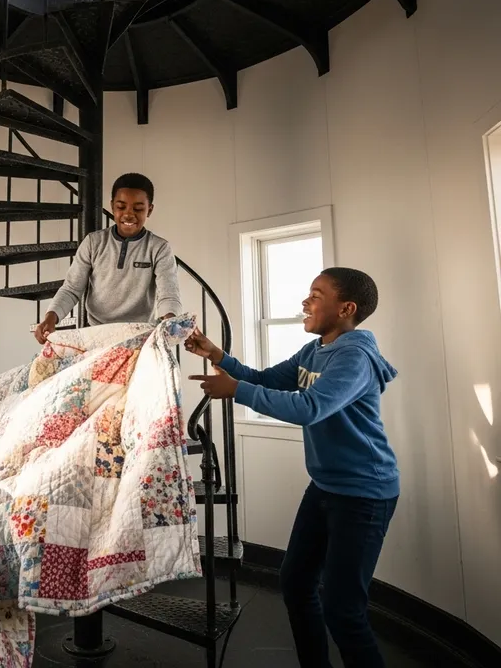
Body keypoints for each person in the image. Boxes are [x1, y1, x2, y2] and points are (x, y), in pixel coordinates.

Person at [186, 267, 398, 668]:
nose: (305, 301)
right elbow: (266, 379)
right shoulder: (314, 350)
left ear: (346, 308)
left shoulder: (355, 356)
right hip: (325, 487)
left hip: (365, 495)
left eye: (316, 295)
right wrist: (219, 356)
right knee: (296, 583)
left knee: (343, 611)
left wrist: (237, 391)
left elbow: (309, 408)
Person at [34, 173, 182, 343]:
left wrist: (170, 320)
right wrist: (51, 317)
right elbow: (71, 289)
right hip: (96, 334)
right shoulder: (93, 242)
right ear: (112, 206)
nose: (128, 214)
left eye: (138, 208)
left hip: (140, 337)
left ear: (150, 209)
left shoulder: (159, 248)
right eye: (121, 207)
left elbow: (168, 295)